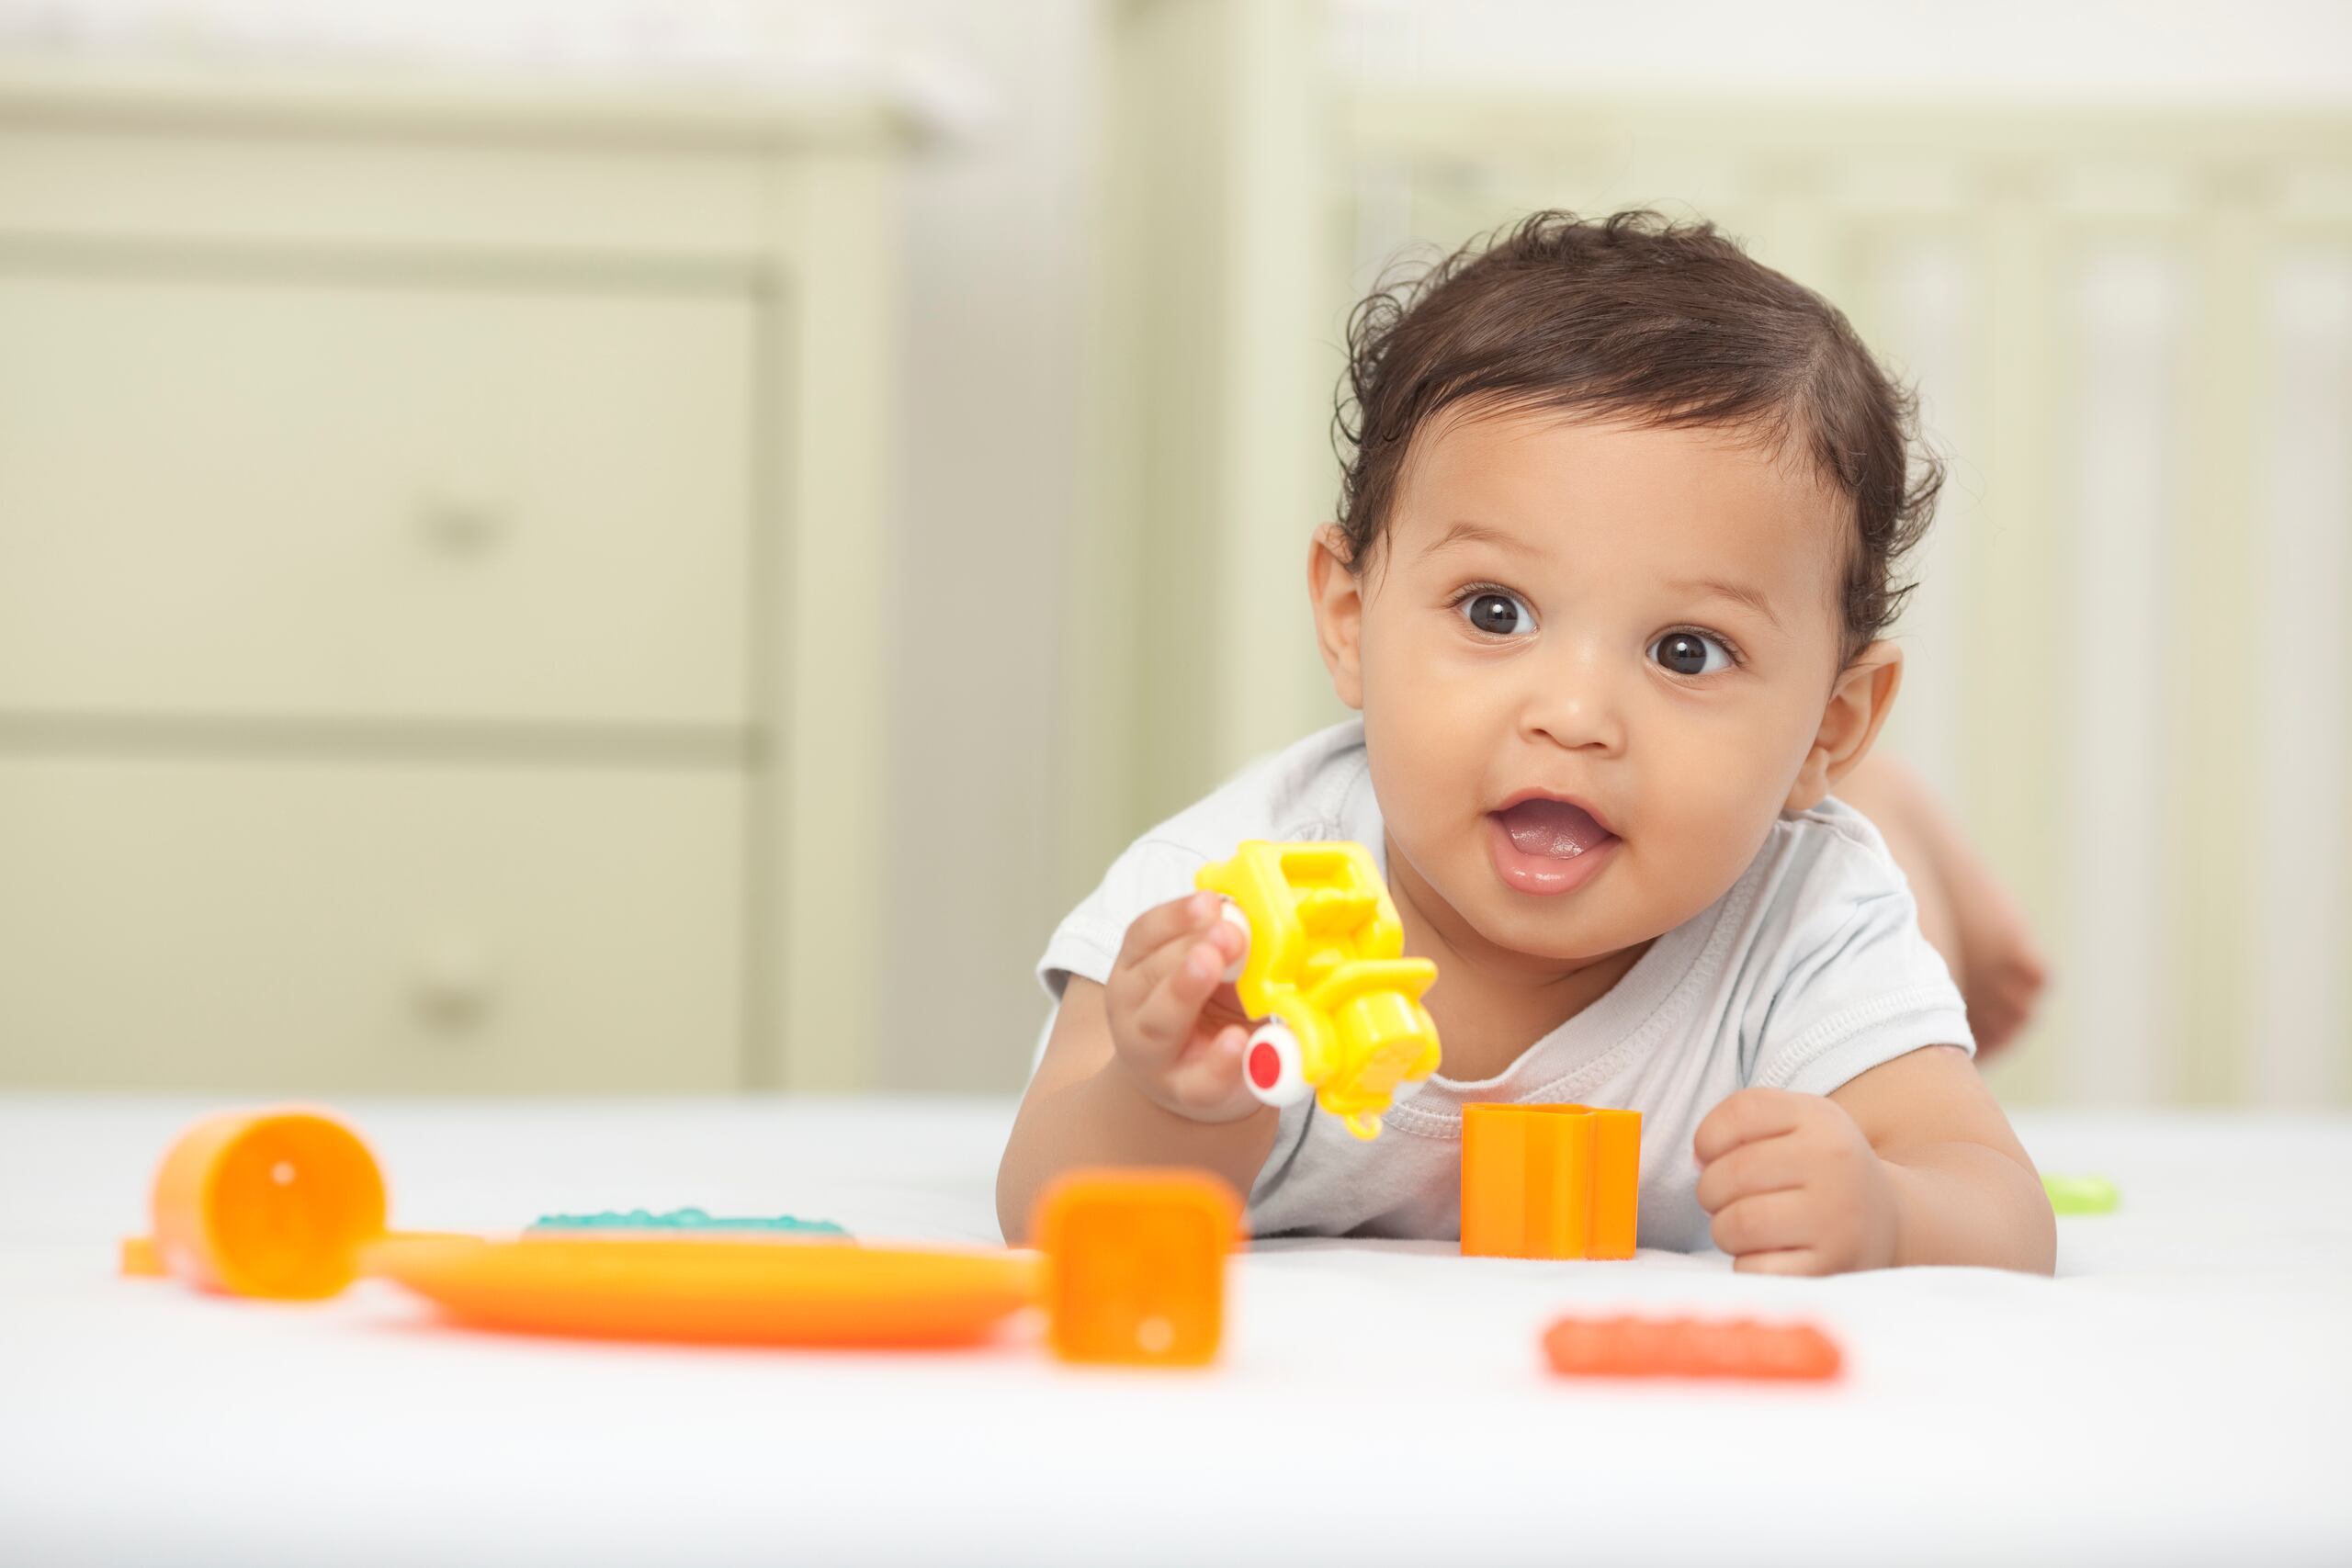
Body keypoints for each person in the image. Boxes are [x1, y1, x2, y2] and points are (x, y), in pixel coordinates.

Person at [1000, 210, 2053, 1274]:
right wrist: (1166, 1102)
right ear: (1351, 622)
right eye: (1495, 612)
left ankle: (1888, 816)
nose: (1574, 716)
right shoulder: (1224, 902)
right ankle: (1881, 798)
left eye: (1686, 652)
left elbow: (1995, 1198)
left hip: (1807, 836)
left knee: (1861, 875)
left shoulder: (1804, 920)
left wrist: (1891, 1208)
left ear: (1831, 724)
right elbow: (1047, 1207)